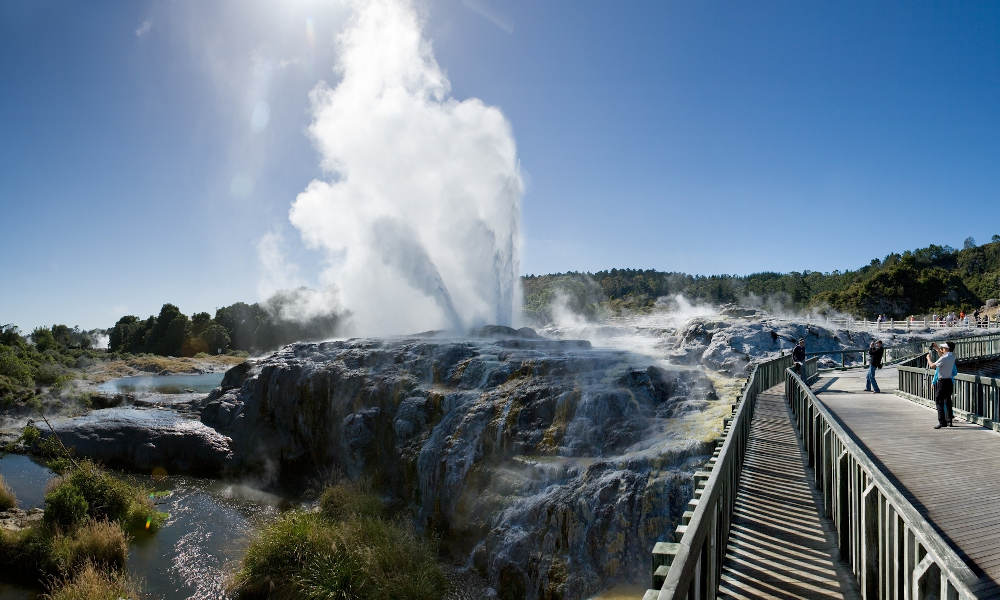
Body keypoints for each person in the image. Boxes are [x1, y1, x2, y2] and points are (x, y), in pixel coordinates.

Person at [927, 341, 958, 429]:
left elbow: (932, 366)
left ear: (947, 349)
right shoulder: (952, 356)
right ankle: (949, 420)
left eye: (943, 348)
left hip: (942, 382)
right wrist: (937, 349)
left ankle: (942, 422)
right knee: (947, 401)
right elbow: (943, 357)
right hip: (949, 382)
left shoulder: (944, 358)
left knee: (939, 401)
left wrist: (928, 358)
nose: (942, 349)